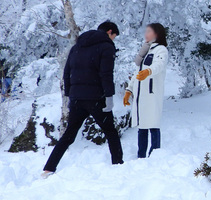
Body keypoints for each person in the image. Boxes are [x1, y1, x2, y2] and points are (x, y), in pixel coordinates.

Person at [42, 22, 124, 177]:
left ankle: (48, 168)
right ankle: (118, 166)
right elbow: (106, 74)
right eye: (114, 37)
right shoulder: (106, 47)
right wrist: (109, 96)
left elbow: (67, 72)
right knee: (110, 132)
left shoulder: (77, 47)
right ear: (110, 31)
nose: (113, 40)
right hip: (96, 98)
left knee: (68, 135)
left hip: (77, 98)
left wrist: (69, 94)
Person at [123, 23, 169, 158]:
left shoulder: (161, 50)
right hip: (140, 96)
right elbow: (137, 72)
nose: (146, 34)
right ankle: (141, 156)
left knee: (153, 124)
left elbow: (159, 65)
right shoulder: (146, 51)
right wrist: (129, 90)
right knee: (142, 126)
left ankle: (155, 155)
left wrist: (149, 71)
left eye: (149, 31)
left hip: (151, 94)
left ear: (156, 34)